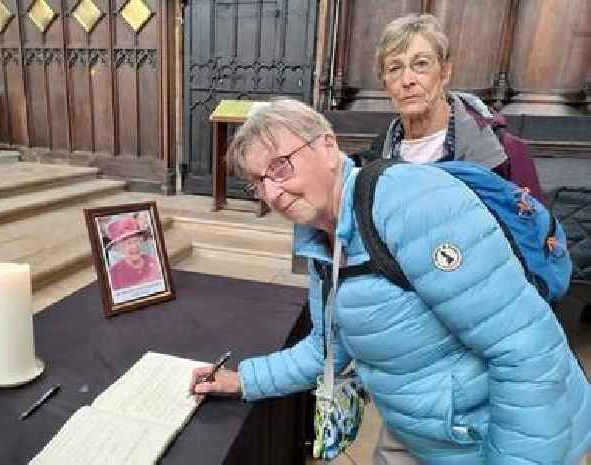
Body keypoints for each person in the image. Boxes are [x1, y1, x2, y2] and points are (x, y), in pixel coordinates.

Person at [189, 98, 591, 465]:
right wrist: (242, 380)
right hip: (422, 431)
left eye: (280, 166)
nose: (273, 192)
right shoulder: (321, 238)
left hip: (494, 437)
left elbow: (527, 353)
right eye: (259, 182)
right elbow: (325, 349)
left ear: (327, 145)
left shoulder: (411, 202)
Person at [375, 14, 545, 202]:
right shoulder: (376, 159)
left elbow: (537, 228)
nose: (407, 80)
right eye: (394, 68)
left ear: (445, 72)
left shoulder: (504, 151)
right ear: (384, 83)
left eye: (421, 64)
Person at [105, 216, 161, 290]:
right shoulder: (114, 273)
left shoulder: (153, 262)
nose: (135, 246)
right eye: (129, 243)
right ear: (119, 248)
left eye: (136, 240)